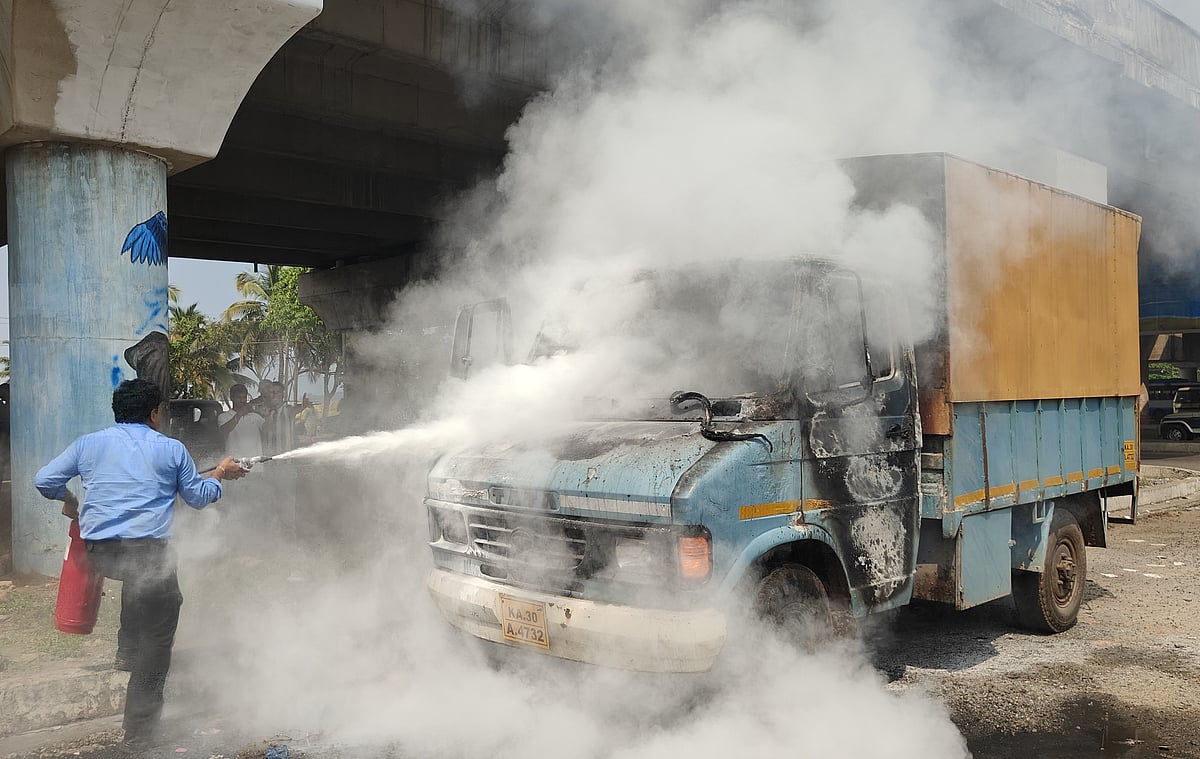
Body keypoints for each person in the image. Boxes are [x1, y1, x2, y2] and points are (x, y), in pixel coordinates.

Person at [34, 379, 248, 751]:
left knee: (142, 580)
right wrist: (218, 475)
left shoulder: (90, 443)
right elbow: (197, 498)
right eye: (161, 411)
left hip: (100, 552)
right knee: (160, 623)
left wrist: (69, 499)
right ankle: (139, 730)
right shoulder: (170, 449)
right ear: (154, 413)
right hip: (147, 551)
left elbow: (44, 480)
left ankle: (125, 650)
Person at [259, 380, 312, 456]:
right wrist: (267, 416)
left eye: (278, 392)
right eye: (272, 392)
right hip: (269, 458)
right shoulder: (265, 411)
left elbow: (295, 409)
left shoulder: (287, 410)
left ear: (283, 395)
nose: (275, 395)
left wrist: (303, 406)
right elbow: (266, 429)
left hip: (286, 458)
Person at [218, 383, 265, 457]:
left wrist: (268, 415)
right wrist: (239, 414)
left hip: (256, 464)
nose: (242, 400)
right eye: (239, 397)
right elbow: (224, 430)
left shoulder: (255, 416)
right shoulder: (224, 417)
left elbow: (268, 430)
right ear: (231, 398)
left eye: (244, 397)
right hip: (235, 463)